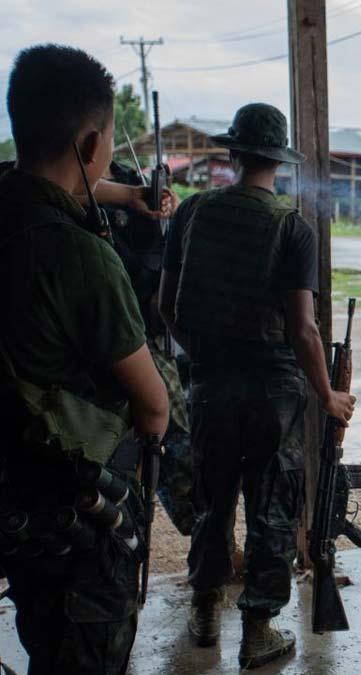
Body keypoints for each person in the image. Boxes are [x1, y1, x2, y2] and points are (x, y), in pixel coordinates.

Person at [158, 103, 356, 670]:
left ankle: (203, 611)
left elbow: (165, 306)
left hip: (210, 385)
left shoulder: (193, 213)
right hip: (274, 394)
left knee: (211, 502)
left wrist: (203, 357)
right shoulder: (291, 227)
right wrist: (328, 396)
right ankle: (258, 631)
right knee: (271, 508)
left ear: (234, 153)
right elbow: (303, 329)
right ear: (279, 160)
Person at [0, 44, 170, 674]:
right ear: (95, 140)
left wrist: (129, 199)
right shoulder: (78, 255)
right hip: (76, 511)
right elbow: (154, 408)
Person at [104, 158, 197, 538]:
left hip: (142, 329)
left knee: (172, 440)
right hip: (93, 343)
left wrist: (145, 201)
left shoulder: (128, 177)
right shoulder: (26, 183)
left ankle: (201, 538)